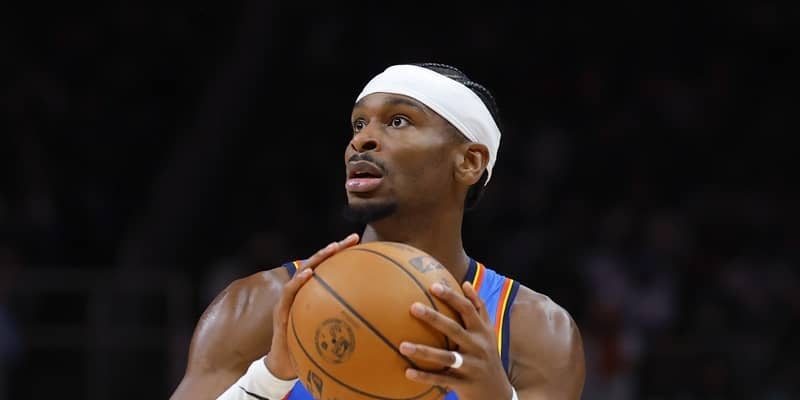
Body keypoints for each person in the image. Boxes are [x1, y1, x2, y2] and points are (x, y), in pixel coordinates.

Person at [170, 63, 585, 400]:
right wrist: (267, 380)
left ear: (469, 162)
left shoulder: (534, 329)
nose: (362, 141)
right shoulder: (261, 305)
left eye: (398, 121)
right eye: (358, 125)